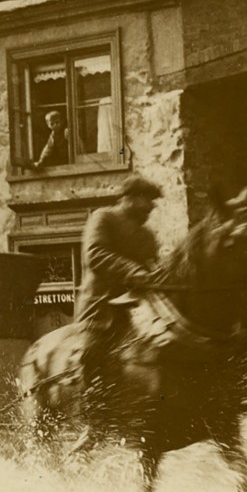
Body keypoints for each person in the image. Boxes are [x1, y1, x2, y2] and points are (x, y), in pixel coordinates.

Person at [71, 174, 163, 450]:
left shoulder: (147, 235)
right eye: (147, 200)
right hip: (99, 310)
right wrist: (132, 270)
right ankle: (94, 423)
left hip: (135, 312)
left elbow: (152, 264)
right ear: (130, 198)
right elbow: (96, 255)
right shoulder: (103, 218)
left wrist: (159, 275)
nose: (151, 207)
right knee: (91, 355)